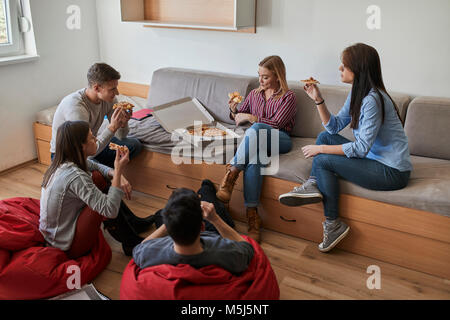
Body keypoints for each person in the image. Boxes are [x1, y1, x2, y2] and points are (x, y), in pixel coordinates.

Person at [278, 43, 412, 253]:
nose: (340, 69)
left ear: (358, 68)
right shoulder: (358, 92)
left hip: (392, 171)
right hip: (375, 160)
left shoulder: (372, 100)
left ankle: (333, 224)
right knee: (324, 136)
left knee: (322, 158)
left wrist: (320, 150)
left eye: (344, 66)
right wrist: (318, 99)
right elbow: (333, 127)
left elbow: (360, 149)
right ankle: (313, 183)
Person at [215, 55, 297, 243]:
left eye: (265, 77)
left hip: (280, 139)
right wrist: (235, 110)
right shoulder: (254, 94)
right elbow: (238, 115)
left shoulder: (288, 97)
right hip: (259, 142)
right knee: (255, 158)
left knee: (257, 128)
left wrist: (253, 118)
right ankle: (253, 215)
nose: (260, 80)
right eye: (259, 75)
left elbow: (276, 124)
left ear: (277, 76)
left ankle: (232, 172)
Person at [40, 120, 149, 258]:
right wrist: (119, 170)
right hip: (65, 246)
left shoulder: (63, 162)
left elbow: (96, 166)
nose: (96, 139)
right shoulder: (75, 176)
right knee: (102, 190)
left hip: (53, 234)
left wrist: (115, 174)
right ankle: (130, 242)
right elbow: (110, 211)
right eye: (91, 137)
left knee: (98, 178)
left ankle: (130, 233)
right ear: (81, 146)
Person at [132, 188, 254, 275]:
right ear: (202, 227)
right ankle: (206, 186)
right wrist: (215, 219)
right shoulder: (228, 253)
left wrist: (170, 221)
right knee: (207, 190)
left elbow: (139, 248)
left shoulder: (150, 253)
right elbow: (248, 249)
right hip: (210, 235)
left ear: (169, 230)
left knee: (159, 214)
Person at [50, 63, 142, 168]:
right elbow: (86, 151)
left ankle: (100, 169)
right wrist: (111, 127)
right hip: (70, 157)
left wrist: (123, 123)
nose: (117, 93)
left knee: (134, 145)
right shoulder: (76, 108)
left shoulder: (108, 99)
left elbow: (121, 136)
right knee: (97, 169)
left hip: (91, 146)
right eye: (112, 89)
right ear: (97, 88)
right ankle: (99, 170)